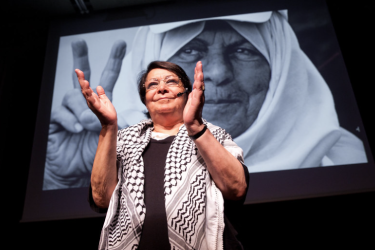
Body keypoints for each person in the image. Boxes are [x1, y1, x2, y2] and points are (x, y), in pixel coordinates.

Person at [44, 10, 367, 189]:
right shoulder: (118, 162)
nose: (215, 73)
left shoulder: (344, 165)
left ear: (282, 72)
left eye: (243, 51)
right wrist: (61, 178)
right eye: (189, 51)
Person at [79, 60, 249, 249]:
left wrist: (196, 128)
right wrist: (108, 126)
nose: (161, 89)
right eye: (152, 84)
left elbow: (237, 188)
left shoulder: (213, 135)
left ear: (187, 93)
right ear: (145, 99)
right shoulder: (122, 142)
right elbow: (102, 199)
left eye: (171, 82)